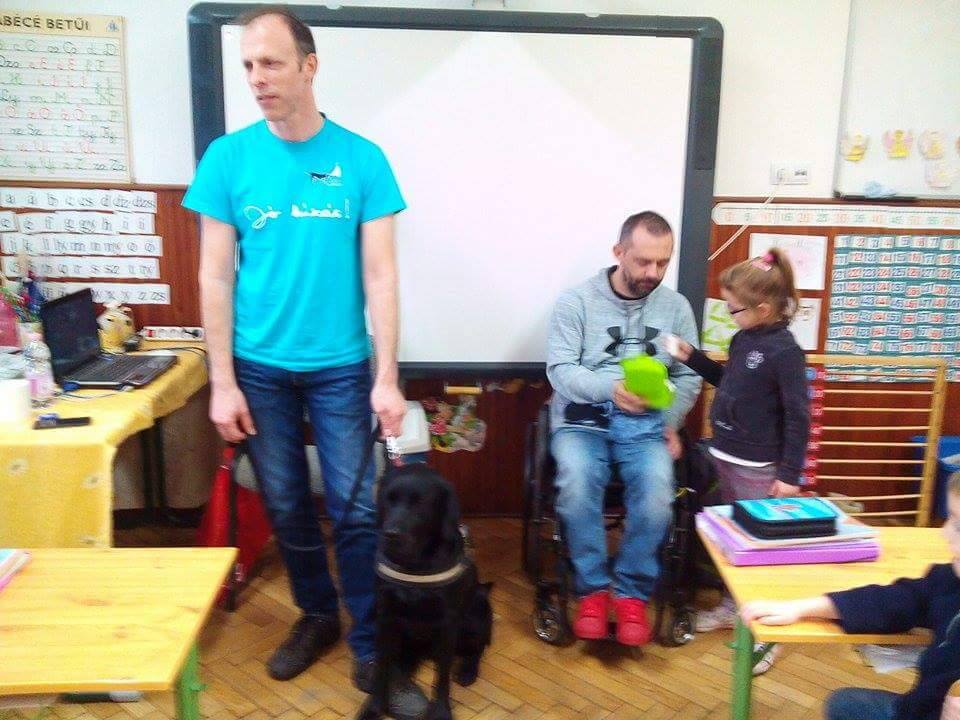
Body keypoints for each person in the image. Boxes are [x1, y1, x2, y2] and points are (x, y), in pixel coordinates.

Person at [182, 7, 425, 717]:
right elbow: (214, 275)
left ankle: (372, 644)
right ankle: (317, 616)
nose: (257, 78)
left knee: (355, 511)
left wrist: (387, 377)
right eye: (248, 65)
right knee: (286, 505)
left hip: (342, 367)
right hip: (258, 368)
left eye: (271, 63)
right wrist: (221, 382)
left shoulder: (363, 160)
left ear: (309, 66)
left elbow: (381, 276)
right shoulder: (228, 159)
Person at [546, 210, 702, 646]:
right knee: (577, 482)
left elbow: (689, 375)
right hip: (583, 419)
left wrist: (671, 421)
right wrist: (610, 390)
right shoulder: (575, 303)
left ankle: (632, 593)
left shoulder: (676, 307)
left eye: (662, 262)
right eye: (643, 261)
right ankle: (593, 590)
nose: (653, 272)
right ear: (619, 252)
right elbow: (561, 371)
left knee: (656, 493)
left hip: (647, 422)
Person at [666, 247, 810, 674]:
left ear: (762, 309)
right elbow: (728, 382)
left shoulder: (786, 353)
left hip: (758, 469)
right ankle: (734, 605)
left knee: (761, 547)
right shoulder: (743, 337)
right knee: (731, 540)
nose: (730, 315)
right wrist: (692, 357)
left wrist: (790, 474)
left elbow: (799, 416)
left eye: (734, 309)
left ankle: (769, 632)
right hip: (725, 456)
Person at [740, 472, 960, 720]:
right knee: (844, 704)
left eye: (958, 526)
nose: (944, 533)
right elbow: (895, 600)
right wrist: (801, 608)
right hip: (918, 710)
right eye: (950, 519)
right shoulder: (950, 580)